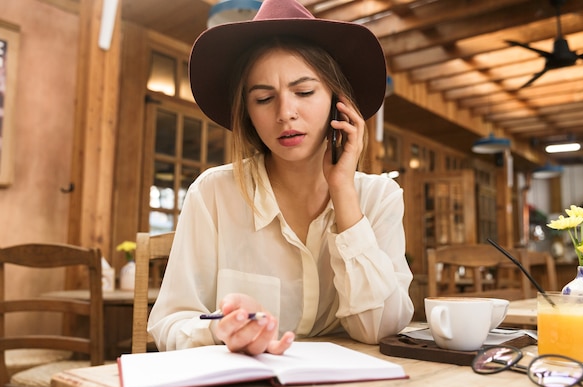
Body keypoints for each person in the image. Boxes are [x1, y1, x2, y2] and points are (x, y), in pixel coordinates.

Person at [148, 0, 414, 355]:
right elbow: (169, 324)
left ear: (338, 101)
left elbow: (378, 329)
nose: (285, 113)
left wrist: (343, 192)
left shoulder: (379, 198)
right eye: (263, 99)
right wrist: (219, 332)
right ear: (248, 114)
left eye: (304, 92)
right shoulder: (213, 194)